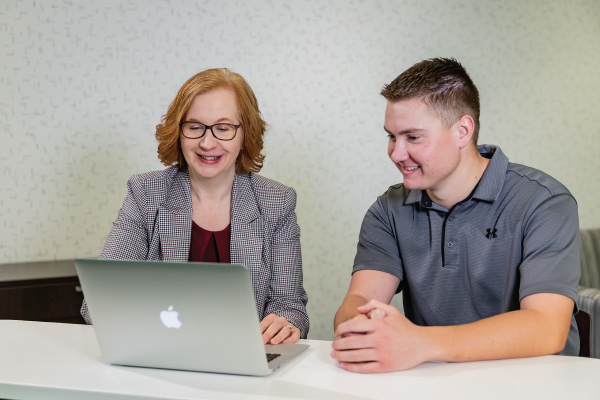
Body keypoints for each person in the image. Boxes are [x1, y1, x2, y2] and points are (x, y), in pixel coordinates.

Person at [330, 58, 580, 372]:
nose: (396, 153)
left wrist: (421, 342)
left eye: (413, 137)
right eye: (391, 137)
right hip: (432, 381)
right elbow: (358, 300)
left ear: (462, 131)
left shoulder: (544, 202)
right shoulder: (388, 210)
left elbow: (547, 328)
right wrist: (365, 328)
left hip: (532, 382)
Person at [81, 68, 309, 344]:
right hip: (159, 353)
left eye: (223, 128)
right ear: (178, 131)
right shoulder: (145, 193)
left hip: (244, 362)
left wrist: (286, 323)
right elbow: (98, 301)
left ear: (245, 133)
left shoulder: (277, 201)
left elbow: (290, 305)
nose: (207, 142)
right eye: (194, 127)